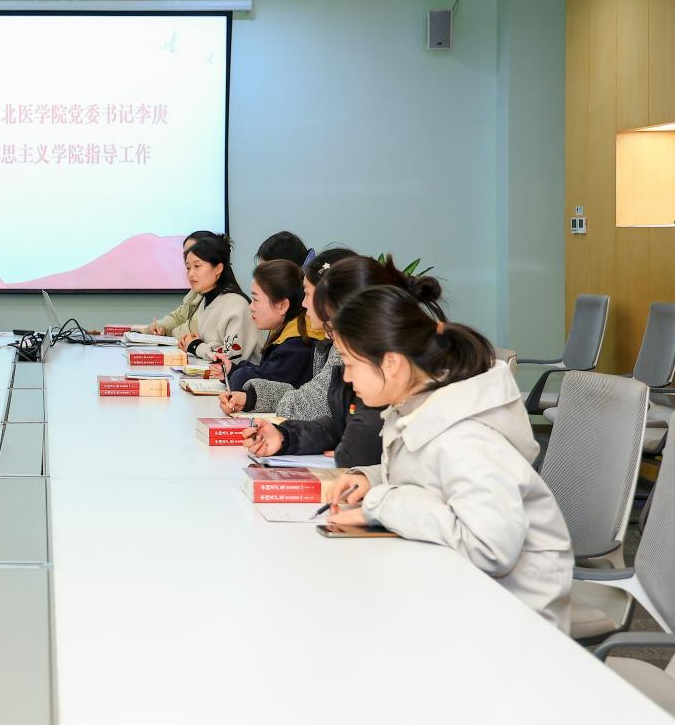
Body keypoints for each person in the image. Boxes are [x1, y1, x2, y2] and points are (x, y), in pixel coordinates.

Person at [323, 285, 574, 630]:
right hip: (460, 592)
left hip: (513, 617)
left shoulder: (466, 437)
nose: (347, 377)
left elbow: (490, 549)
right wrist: (373, 479)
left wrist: (383, 504)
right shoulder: (418, 405)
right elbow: (432, 477)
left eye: (350, 364)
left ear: (391, 363)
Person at [238, 255, 445, 468]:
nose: (304, 304)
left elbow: (355, 449)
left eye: (308, 294)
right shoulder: (369, 361)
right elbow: (339, 424)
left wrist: (348, 453)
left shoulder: (377, 367)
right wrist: (285, 437)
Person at [217, 247, 354, 420]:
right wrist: (250, 398)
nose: (304, 304)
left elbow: (314, 403)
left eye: (307, 294)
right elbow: (303, 393)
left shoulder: (302, 343)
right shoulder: (329, 343)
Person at [210, 259, 325, 392]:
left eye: (256, 299)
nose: (251, 307)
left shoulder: (297, 346)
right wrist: (230, 369)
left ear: (282, 306)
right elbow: (266, 372)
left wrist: (236, 374)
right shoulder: (289, 331)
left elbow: (261, 387)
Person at [176, 235, 259, 362]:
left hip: (239, 375)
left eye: (197, 266)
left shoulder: (237, 304)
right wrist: (190, 341)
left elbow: (231, 358)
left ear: (218, 268)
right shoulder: (205, 301)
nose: (191, 274)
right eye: (188, 268)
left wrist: (196, 346)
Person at [144, 230, 217, 340]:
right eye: (186, 253)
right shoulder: (197, 292)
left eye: (197, 264)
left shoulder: (222, 298)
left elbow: (192, 330)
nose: (188, 257)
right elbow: (178, 317)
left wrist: (167, 333)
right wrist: (160, 327)